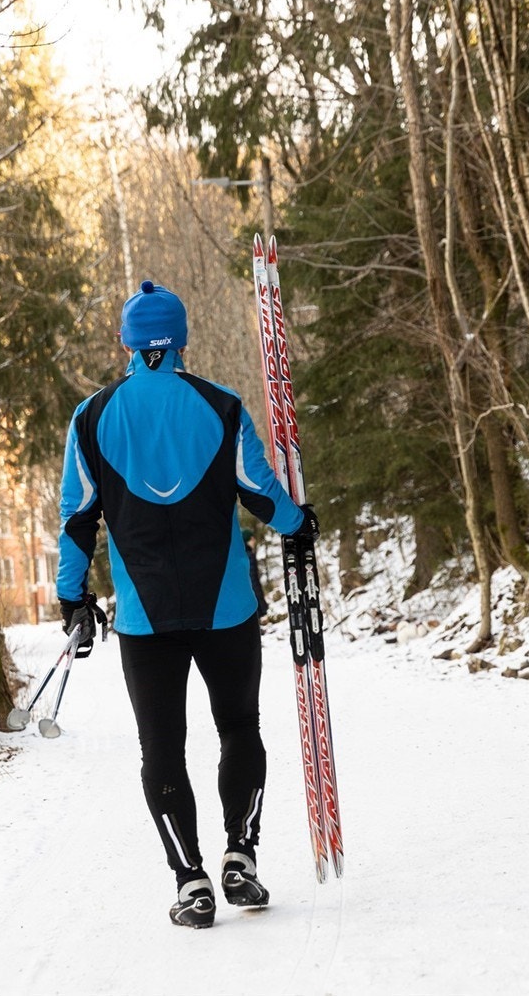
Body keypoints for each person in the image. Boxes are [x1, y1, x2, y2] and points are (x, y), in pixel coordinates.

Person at [56, 280, 319, 930]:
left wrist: (73, 596)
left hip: (146, 618)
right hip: (226, 605)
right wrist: (298, 523)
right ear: (183, 340)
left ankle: (191, 879)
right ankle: (242, 855)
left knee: (161, 750)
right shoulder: (220, 406)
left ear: (125, 341)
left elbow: (76, 520)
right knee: (239, 727)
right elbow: (261, 493)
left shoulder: (91, 418)